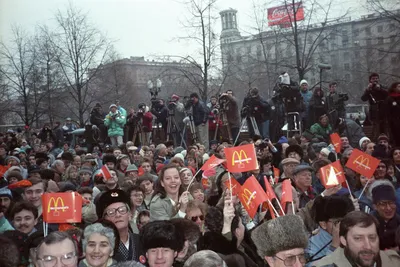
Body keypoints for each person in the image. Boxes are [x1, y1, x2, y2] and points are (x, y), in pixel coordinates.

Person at [311, 211, 400, 267]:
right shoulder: (326, 265)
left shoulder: (394, 262)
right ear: (343, 241)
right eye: (358, 238)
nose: (368, 246)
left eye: (372, 238)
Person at [96, 189, 141, 262]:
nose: (118, 215)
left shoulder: (142, 240)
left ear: (130, 215)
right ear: (104, 219)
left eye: (122, 210)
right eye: (111, 212)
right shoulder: (99, 247)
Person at [306, 195, 354, 264]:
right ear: (323, 224)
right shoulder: (311, 246)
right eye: (338, 221)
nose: (346, 224)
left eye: (349, 219)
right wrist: (334, 247)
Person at [371, 183, 400, 250]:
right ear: (375, 206)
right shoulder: (369, 222)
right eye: (383, 204)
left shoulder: (398, 221)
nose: (389, 208)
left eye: (391, 203)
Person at [361, 73, 388, 140]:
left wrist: (380, 89)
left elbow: (388, 95)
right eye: (373, 79)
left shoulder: (382, 87)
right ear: (370, 80)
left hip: (383, 110)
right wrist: (367, 90)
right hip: (374, 111)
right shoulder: (369, 89)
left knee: (385, 127)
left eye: (376, 78)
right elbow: (363, 98)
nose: (375, 80)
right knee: (376, 128)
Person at [385, 82, 400, 146]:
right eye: (399, 86)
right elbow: (387, 112)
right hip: (394, 122)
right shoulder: (389, 98)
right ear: (394, 88)